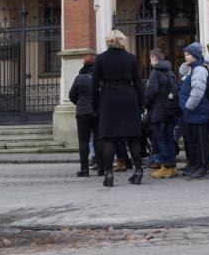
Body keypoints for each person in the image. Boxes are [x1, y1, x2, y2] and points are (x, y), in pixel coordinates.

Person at [91, 30, 144, 187]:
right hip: (129, 97)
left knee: (108, 137)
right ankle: (138, 171)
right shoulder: (131, 58)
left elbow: (94, 86)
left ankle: (108, 174)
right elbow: (138, 83)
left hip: (109, 99)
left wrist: (94, 106)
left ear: (108, 41)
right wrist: (141, 104)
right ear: (123, 41)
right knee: (133, 137)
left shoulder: (100, 59)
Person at [179, 42, 209, 180]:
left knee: (200, 142)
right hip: (193, 113)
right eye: (185, 54)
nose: (186, 57)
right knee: (195, 141)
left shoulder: (199, 70)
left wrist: (188, 107)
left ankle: (203, 167)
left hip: (197, 112)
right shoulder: (192, 69)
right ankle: (198, 165)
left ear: (195, 55)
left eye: (188, 54)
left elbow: (197, 92)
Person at [144, 48, 178, 179]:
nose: (150, 61)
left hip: (158, 111)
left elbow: (151, 92)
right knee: (169, 139)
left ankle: (166, 167)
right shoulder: (170, 72)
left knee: (160, 140)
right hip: (170, 111)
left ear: (154, 59)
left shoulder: (155, 73)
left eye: (150, 59)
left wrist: (145, 103)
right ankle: (172, 167)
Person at [69, 52, 102, 177]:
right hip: (97, 111)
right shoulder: (99, 77)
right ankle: (101, 168)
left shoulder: (79, 78)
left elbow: (71, 95)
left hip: (82, 113)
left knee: (83, 141)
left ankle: (84, 169)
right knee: (98, 139)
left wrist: (80, 103)